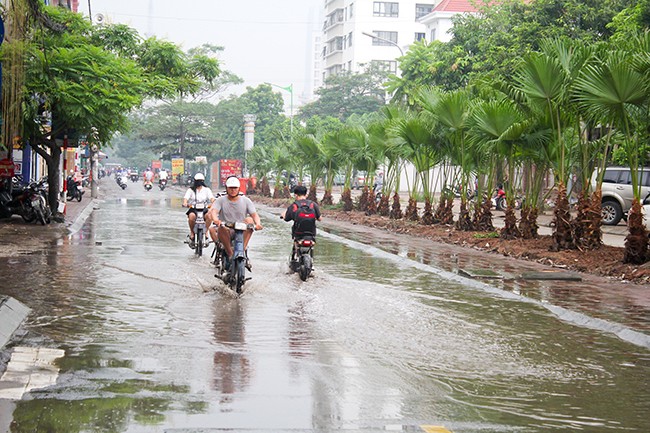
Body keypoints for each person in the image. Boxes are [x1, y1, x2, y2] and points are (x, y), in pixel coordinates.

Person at [209, 176, 263, 269]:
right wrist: (216, 220)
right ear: (226, 188)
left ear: (238, 188)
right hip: (227, 229)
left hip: (241, 230)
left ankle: (243, 250)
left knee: (250, 221)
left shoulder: (246, 200)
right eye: (230, 188)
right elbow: (214, 211)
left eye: (235, 188)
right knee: (221, 228)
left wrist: (258, 224)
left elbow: (254, 214)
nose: (233, 190)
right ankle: (230, 254)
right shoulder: (220, 200)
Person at [281, 184, 322, 256]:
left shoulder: (294, 205)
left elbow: (287, 219)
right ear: (306, 194)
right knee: (311, 245)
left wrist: (283, 215)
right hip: (311, 233)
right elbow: (320, 219)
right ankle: (311, 260)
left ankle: (294, 258)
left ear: (295, 195)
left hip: (298, 233)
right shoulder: (313, 204)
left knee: (296, 243)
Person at [182, 173, 215, 248]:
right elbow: (186, 198)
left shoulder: (207, 190)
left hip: (204, 208)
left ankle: (206, 232)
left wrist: (213, 203)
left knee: (209, 217)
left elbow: (212, 198)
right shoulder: (191, 190)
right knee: (191, 217)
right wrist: (185, 203)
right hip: (193, 208)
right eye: (197, 181)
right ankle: (192, 232)